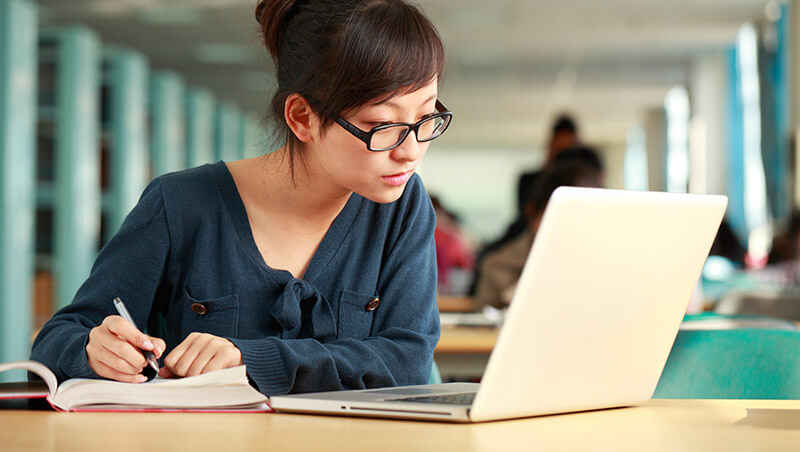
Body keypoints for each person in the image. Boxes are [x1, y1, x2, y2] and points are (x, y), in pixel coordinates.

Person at [30, 0, 451, 396]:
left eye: (426, 117)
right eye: (383, 125)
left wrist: (251, 359)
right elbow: (60, 337)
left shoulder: (401, 204)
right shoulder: (180, 205)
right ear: (302, 118)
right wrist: (91, 349)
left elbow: (407, 361)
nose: (411, 150)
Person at [473, 162, 602, 309]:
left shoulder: (604, 267)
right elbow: (481, 326)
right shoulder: (498, 265)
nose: (571, 232)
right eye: (562, 218)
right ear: (532, 212)